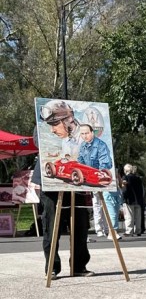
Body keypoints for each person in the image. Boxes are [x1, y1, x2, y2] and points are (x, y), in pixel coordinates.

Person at [35, 104, 94, 278]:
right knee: (52, 226)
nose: (52, 129)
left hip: (77, 184)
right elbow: (40, 143)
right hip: (52, 185)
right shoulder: (42, 129)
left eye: (56, 124)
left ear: (68, 119)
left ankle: (78, 265)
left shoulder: (83, 131)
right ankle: (52, 267)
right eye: (51, 124)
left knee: (81, 225)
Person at [121, 164, 144, 236]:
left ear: (125, 171)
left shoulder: (125, 178)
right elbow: (142, 189)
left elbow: (124, 189)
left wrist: (123, 198)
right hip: (138, 199)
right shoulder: (138, 178)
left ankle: (129, 231)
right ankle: (138, 230)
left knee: (129, 216)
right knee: (138, 217)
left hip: (129, 200)